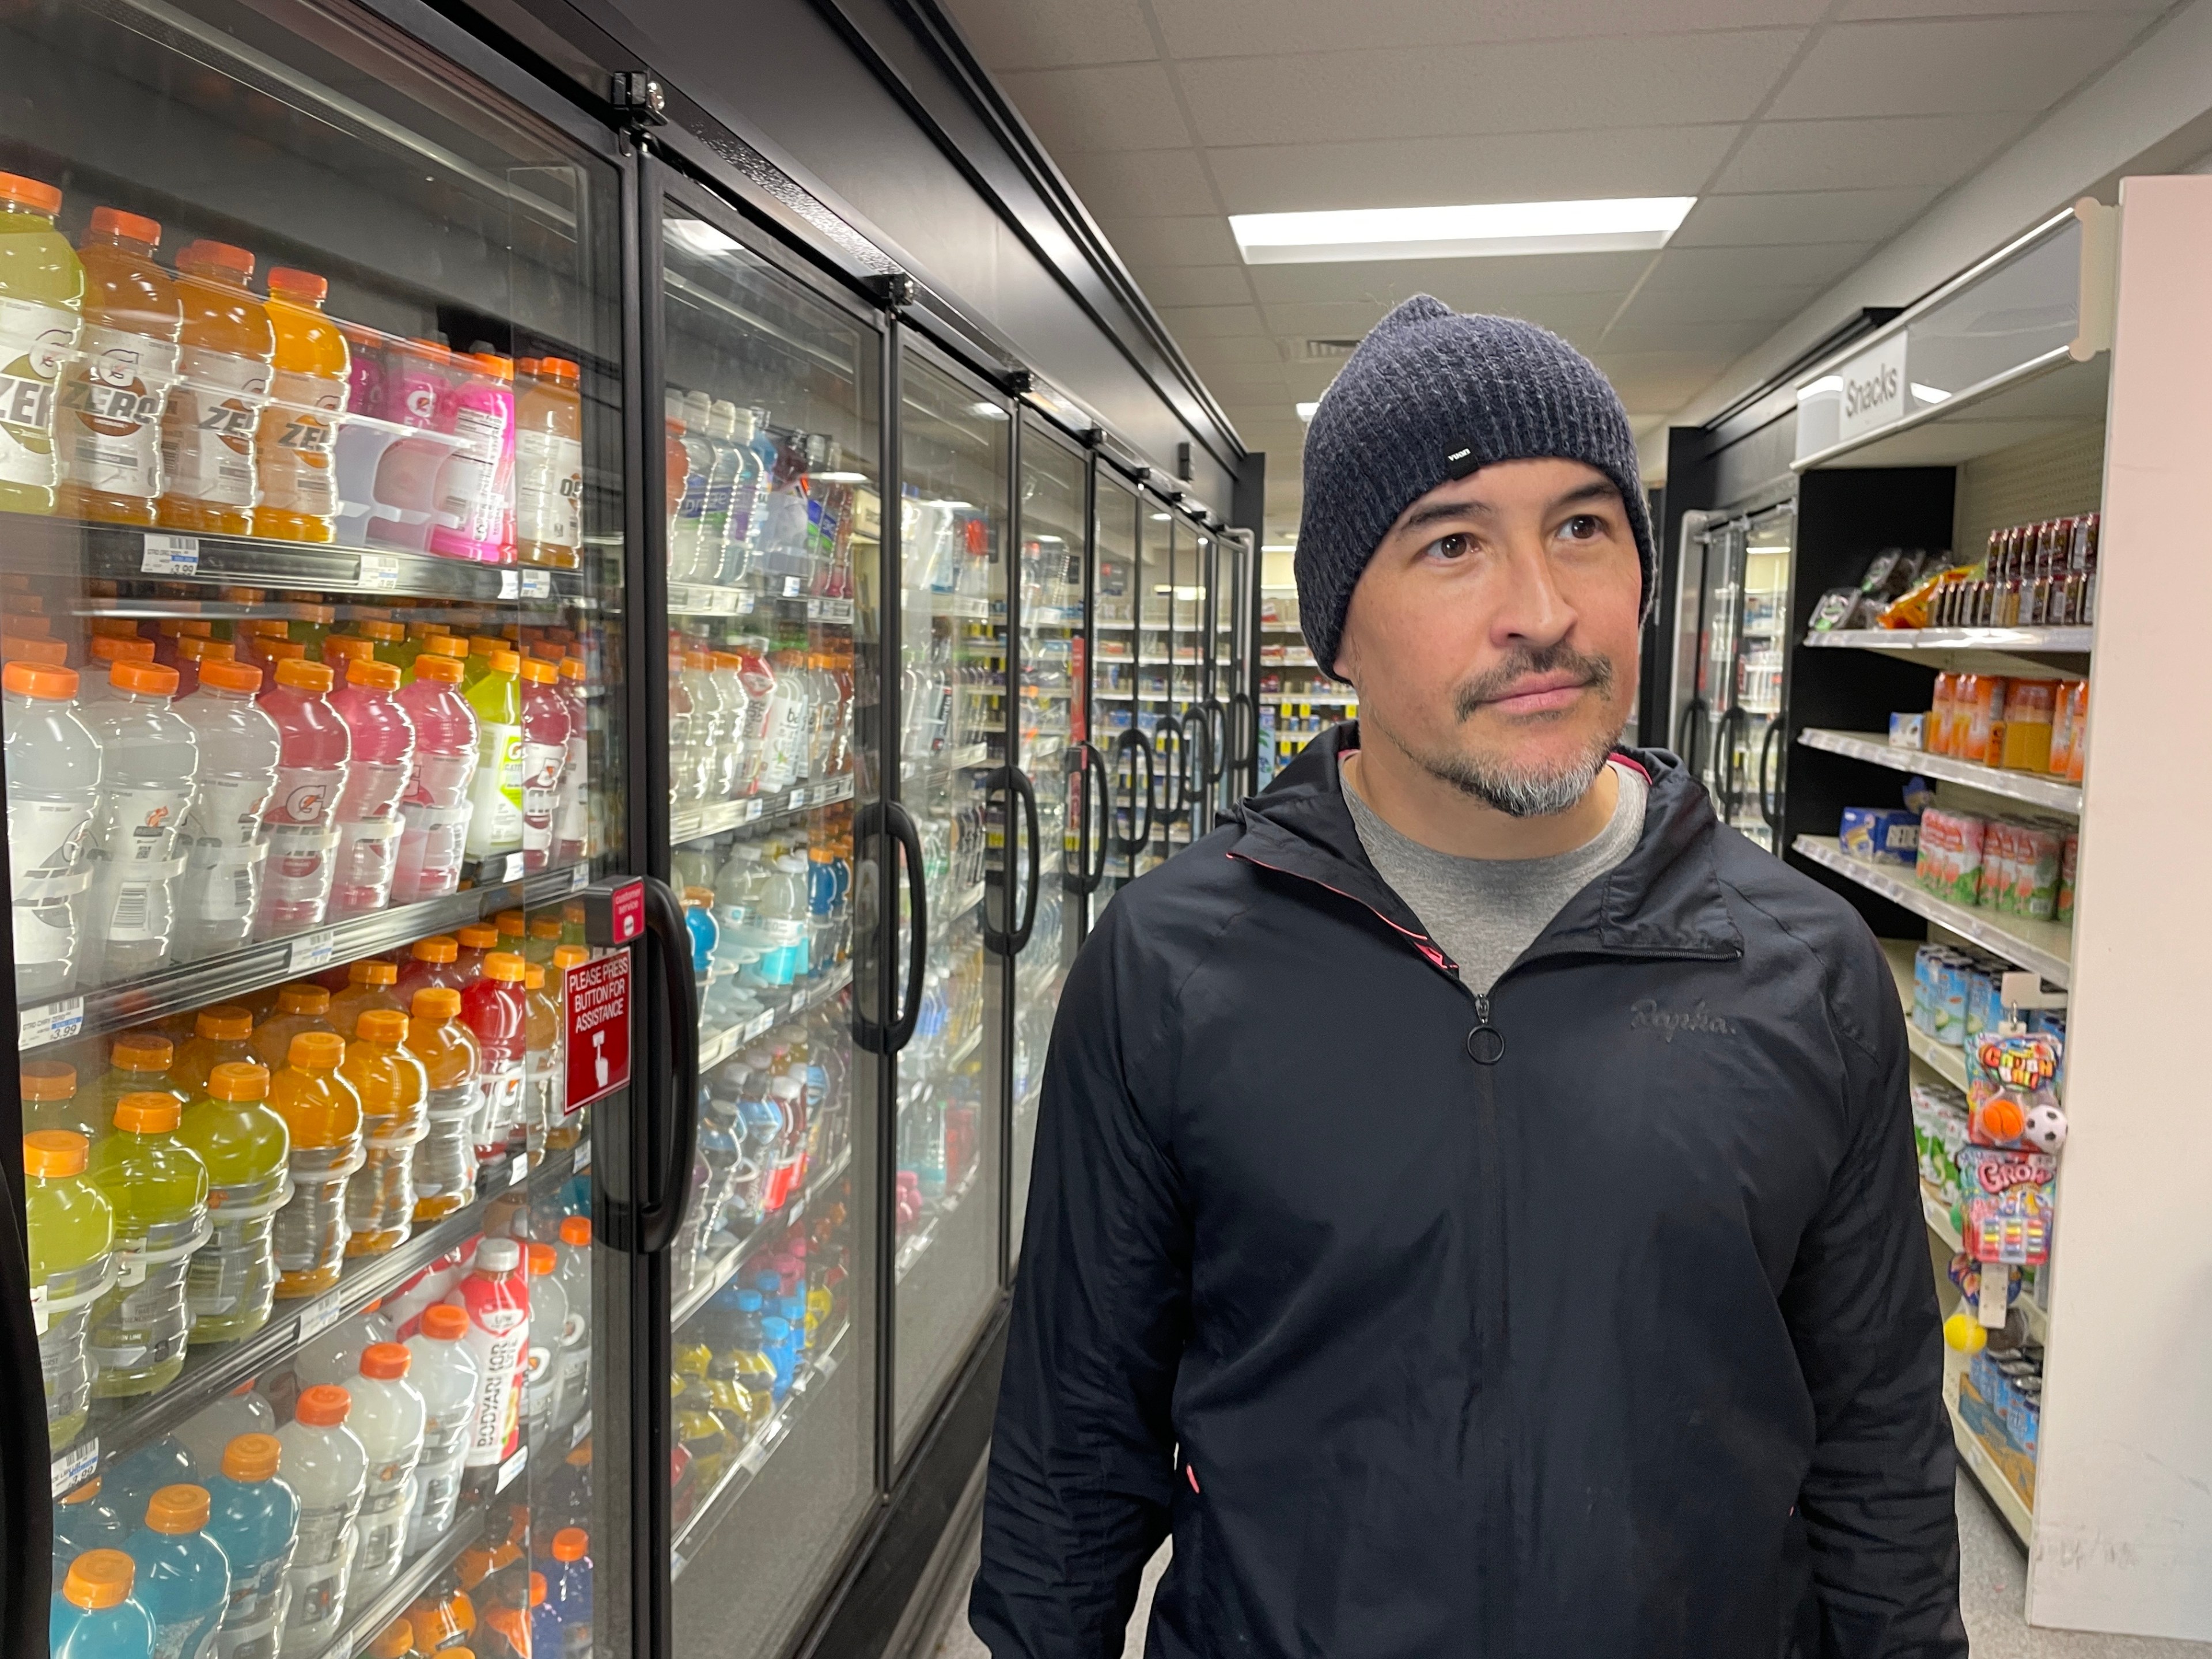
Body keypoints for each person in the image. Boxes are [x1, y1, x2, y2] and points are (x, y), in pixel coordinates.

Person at [969, 296, 1963, 1657]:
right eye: (1451, 543)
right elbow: (1074, 1455)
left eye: (1582, 528)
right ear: (1339, 634)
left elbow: (1879, 1449)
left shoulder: (1803, 968)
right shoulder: (1169, 969)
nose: (1542, 613)